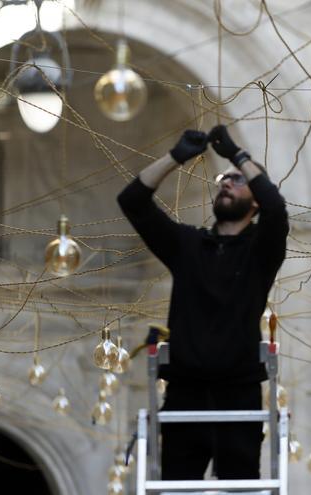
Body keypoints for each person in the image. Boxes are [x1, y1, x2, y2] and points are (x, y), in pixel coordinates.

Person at [117, 125, 288, 480]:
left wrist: (237, 155)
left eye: (238, 181)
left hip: (238, 393)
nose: (226, 182)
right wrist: (175, 157)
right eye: (224, 178)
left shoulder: (260, 251)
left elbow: (275, 207)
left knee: (239, 489)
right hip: (186, 390)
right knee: (178, 487)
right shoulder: (187, 245)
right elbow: (132, 201)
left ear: (253, 200)